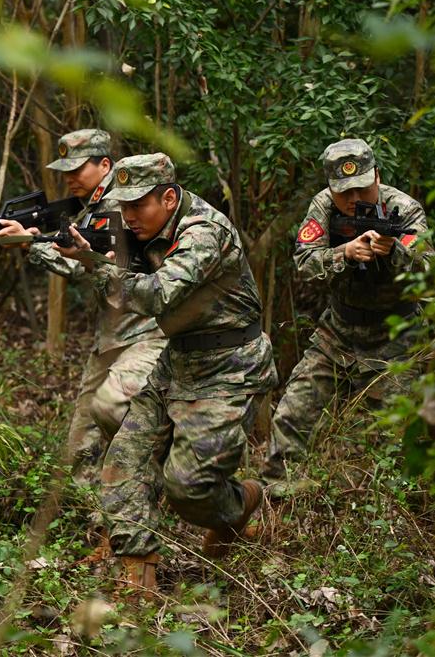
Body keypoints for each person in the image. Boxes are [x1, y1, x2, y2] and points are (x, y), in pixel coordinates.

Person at [57, 152, 278, 590]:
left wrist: (94, 264)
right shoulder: (141, 229)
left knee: (189, 488)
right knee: (123, 462)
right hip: (176, 361)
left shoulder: (204, 232)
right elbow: (118, 276)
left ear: (170, 198)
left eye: (139, 205)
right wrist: (81, 251)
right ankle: (138, 581)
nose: (129, 216)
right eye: (124, 205)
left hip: (229, 366)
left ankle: (241, 504)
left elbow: (158, 294)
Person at [0, 129, 166, 492]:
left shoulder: (123, 205)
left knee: (118, 417)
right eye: (65, 171)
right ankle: (87, 512)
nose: (70, 178)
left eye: (77, 169)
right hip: (111, 336)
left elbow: (88, 266)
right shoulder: (90, 207)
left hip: (145, 333)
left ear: (105, 164)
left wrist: (30, 243)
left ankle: (144, 491)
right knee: (81, 440)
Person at [264, 138, 432, 483]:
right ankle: (279, 495)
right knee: (293, 414)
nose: (354, 199)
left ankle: (400, 506)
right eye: (344, 192)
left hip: (396, 337)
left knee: (397, 439)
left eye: (362, 188)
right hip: (337, 333)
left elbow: (427, 267)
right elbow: (304, 262)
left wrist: (393, 252)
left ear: (377, 176)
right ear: (330, 188)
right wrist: (345, 253)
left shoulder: (404, 209)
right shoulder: (324, 207)